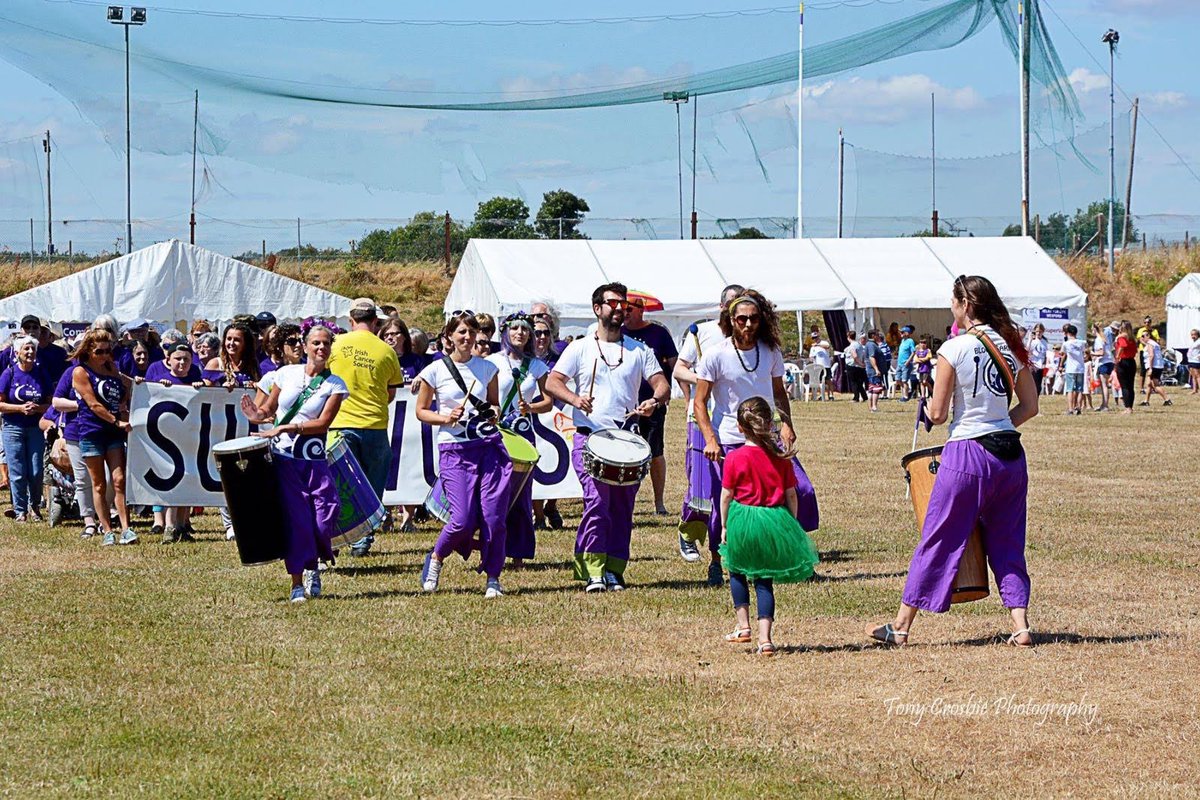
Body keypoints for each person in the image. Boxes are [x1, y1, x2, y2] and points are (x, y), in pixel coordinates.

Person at [869, 275, 1038, 648]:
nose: (951, 307)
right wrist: (998, 425)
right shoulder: (1011, 346)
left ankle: (900, 627)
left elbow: (940, 414)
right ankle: (1021, 624)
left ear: (964, 303)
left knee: (938, 538)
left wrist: (925, 409)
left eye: (953, 301)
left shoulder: (954, 348)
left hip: (967, 454)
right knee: (1009, 541)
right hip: (1010, 456)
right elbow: (1031, 406)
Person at [545, 283, 670, 592]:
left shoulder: (640, 350)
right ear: (597, 308)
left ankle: (615, 569)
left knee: (622, 508)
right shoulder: (580, 348)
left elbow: (662, 385)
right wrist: (574, 399)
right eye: (612, 303)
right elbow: (553, 381)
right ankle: (593, 570)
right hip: (589, 438)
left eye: (623, 304)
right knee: (597, 503)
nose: (619, 309)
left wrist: (654, 401)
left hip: (627, 440)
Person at [692, 289, 820, 588]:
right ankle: (718, 561)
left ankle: (790, 555)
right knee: (725, 502)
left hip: (768, 437)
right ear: (730, 321)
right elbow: (700, 402)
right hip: (728, 440)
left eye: (753, 319)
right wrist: (710, 439)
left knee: (800, 491)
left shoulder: (770, 352)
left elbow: (778, 393)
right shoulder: (716, 355)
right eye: (741, 320)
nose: (748, 325)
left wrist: (786, 424)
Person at [240, 321, 347, 604]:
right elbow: (269, 411)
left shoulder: (335, 384)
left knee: (325, 517)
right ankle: (298, 580)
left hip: (313, 459)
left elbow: (323, 423)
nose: (321, 347)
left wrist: (287, 429)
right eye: (316, 343)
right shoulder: (285, 374)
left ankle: (314, 561)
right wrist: (256, 414)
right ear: (306, 345)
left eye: (326, 343)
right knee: (297, 521)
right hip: (286, 459)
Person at [414, 312, 511, 597]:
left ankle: (493, 576)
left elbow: (495, 406)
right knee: (462, 519)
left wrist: (493, 414)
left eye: (471, 332)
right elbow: (422, 411)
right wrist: (445, 417)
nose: (467, 337)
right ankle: (436, 559)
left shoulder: (487, 368)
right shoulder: (435, 371)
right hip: (454, 450)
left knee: (494, 517)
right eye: (461, 333)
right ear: (448, 338)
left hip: (488, 447)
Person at [719, 396, 820, 656]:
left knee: (736, 570)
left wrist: (724, 525)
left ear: (740, 428)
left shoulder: (734, 458)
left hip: (742, 519)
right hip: (773, 519)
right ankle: (765, 639)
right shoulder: (781, 457)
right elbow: (792, 495)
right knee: (764, 580)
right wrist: (791, 523)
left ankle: (743, 626)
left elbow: (726, 495)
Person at [674, 284, 745, 562]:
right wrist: (704, 379)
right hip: (702, 415)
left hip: (732, 418)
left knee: (733, 485)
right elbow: (679, 368)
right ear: (721, 307)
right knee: (702, 484)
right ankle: (689, 533)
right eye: (730, 303)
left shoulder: (746, 335)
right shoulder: (701, 333)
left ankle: (731, 540)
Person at [327, 298, 404, 557]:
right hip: (374, 425)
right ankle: (362, 540)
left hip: (339, 424)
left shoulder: (335, 346)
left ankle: (334, 537)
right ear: (374, 322)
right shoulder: (386, 351)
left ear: (351, 321)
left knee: (339, 486)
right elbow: (391, 392)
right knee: (372, 487)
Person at [487, 312, 553, 567]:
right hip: (497, 432)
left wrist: (530, 408)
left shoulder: (536, 366)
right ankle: (493, 548)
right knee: (495, 493)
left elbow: (548, 402)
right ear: (505, 332)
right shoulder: (492, 362)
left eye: (525, 330)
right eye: (515, 328)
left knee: (521, 494)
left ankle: (518, 552)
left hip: (523, 434)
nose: (520, 333)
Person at [71, 329, 136, 546]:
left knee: (119, 480)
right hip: (92, 431)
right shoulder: (80, 372)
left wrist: (126, 401)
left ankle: (126, 528)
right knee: (98, 484)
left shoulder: (112, 369)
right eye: (99, 351)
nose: (104, 355)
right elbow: (93, 404)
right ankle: (107, 529)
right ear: (89, 351)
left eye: (108, 351)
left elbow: (125, 389)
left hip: (113, 433)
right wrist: (116, 421)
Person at [139, 343, 205, 542]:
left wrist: (202, 387)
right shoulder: (159, 376)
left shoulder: (195, 376)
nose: (182, 362)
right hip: (164, 439)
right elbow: (143, 394)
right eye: (178, 358)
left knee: (188, 477)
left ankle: (181, 524)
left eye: (186, 358)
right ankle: (169, 525)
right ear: (168, 360)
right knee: (170, 478)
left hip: (190, 437)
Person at [622, 295, 678, 516]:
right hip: (627, 406)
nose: (625, 312)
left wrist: (665, 394)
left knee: (655, 453)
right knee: (626, 454)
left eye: (629, 308)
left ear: (641, 310)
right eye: (623, 308)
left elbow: (675, 365)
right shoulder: (619, 334)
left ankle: (659, 502)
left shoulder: (658, 333)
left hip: (653, 403)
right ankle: (626, 502)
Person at [0, 335, 52, 521]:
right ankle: (20, 510)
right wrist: (20, 408)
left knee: (36, 470)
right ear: (17, 353)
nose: (30, 352)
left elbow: (51, 403)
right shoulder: (9, 374)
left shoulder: (41, 373)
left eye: (33, 349)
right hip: (13, 427)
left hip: (35, 428)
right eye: (26, 349)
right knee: (17, 470)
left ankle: (35, 506)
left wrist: (38, 409)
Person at [530, 312, 564, 531]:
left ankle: (552, 505)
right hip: (531, 418)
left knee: (556, 465)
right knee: (535, 468)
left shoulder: (558, 359)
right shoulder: (525, 360)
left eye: (545, 333)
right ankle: (539, 515)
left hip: (556, 417)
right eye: (537, 333)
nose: (541, 337)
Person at [203, 321, 261, 389]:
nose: (231, 343)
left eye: (237, 340)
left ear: (246, 344)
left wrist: (255, 385)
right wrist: (222, 389)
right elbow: (205, 392)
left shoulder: (252, 365)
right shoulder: (215, 364)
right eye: (229, 339)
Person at [380, 317, 427, 381]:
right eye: (386, 335)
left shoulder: (417, 360)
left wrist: (420, 378)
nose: (389, 337)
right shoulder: (380, 360)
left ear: (404, 336)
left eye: (393, 334)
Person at [1139, 330, 1171, 407]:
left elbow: (1151, 355)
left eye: (1144, 336)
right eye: (1142, 336)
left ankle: (1167, 400)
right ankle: (1146, 401)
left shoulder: (1150, 344)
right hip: (1158, 366)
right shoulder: (1154, 343)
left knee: (1155, 385)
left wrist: (1150, 368)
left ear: (1148, 336)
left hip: (1153, 366)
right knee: (1149, 384)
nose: (1142, 338)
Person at [1059, 324, 1085, 416]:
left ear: (1068, 333)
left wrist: (1060, 364)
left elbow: (1062, 353)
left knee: (1070, 389)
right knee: (1080, 389)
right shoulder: (1082, 342)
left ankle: (1070, 409)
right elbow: (1084, 353)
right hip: (1080, 368)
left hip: (1070, 368)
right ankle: (1078, 407)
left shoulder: (1066, 344)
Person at [1090, 323, 1114, 412]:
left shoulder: (1098, 340)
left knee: (1104, 385)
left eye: (1092, 329)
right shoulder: (1104, 338)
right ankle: (1103, 404)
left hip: (1104, 363)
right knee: (1104, 384)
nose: (1092, 331)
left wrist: (1092, 353)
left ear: (1095, 329)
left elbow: (1101, 353)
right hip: (1109, 362)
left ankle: (1105, 405)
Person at [1135, 315, 1161, 395]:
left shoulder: (1154, 331)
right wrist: (1147, 344)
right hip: (1144, 351)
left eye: (1148, 322)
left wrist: (1152, 345)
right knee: (1143, 370)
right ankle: (1141, 388)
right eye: (1145, 322)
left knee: (1152, 369)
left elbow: (1158, 340)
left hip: (1152, 351)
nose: (1147, 324)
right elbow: (1140, 340)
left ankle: (1152, 387)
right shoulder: (1141, 330)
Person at [844, 330, 867, 402]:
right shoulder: (858, 344)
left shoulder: (852, 346)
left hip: (852, 365)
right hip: (859, 367)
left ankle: (856, 398)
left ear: (848, 337)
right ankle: (864, 396)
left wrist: (860, 363)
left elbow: (854, 356)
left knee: (854, 382)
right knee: (859, 383)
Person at [864, 330, 884, 412]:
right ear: (872, 336)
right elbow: (872, 357)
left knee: (871, 388)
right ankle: (874, 407)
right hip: (873, 371)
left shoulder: (870, 344)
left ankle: (871, 407)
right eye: (877, 335)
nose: (878, 336)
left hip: (871, 370)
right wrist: (876, 369)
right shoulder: (871, 345)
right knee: (876, 388)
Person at [894, 325, 916, 400]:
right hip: (899, 364)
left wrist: (908, 361)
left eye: (902, 332)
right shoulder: (902, 341)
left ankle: (905, 396)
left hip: (906, 364)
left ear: (907, 333)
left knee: (904, 380)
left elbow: (913, 352)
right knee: (897, 379)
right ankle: (908, 390)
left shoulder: (910, 341)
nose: (901, 333)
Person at [1027, 324, 1048, 394]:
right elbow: (1027, 350)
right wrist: (1030, 339)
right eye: (1037, 331)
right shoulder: (1033, 341)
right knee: (1032, 385)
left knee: (1038, 385)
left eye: (1040, 331)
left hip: (1040, 365)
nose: (1038, 333)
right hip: (1033, 365)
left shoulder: (1045, 342)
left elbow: (1045, 354)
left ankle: (1036, 400)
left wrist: (1045, 363)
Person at [1187, 329, 1200, 395]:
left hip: (1196, 361)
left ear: (1198, 335)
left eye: (1194, 334)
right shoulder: (1193, 342)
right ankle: (1194, 390)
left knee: (1198, 376)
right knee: (1193, 376)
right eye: (1192, 335)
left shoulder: (1199, 341)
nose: (1193, 336)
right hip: (1191, 360)